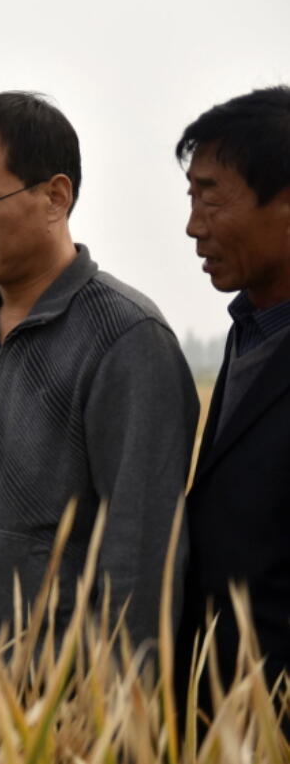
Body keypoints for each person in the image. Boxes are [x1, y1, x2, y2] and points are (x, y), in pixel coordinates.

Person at [0, 92, 198, 652]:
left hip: (56, 699)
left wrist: (120, 714)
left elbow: (141, 548)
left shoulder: (126, 339)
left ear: (56, 196)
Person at [175, 86, 290, 705]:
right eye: (190, 197)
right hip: (214, 708)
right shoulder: (248, 330)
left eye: (211, 196)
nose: (194, 226)